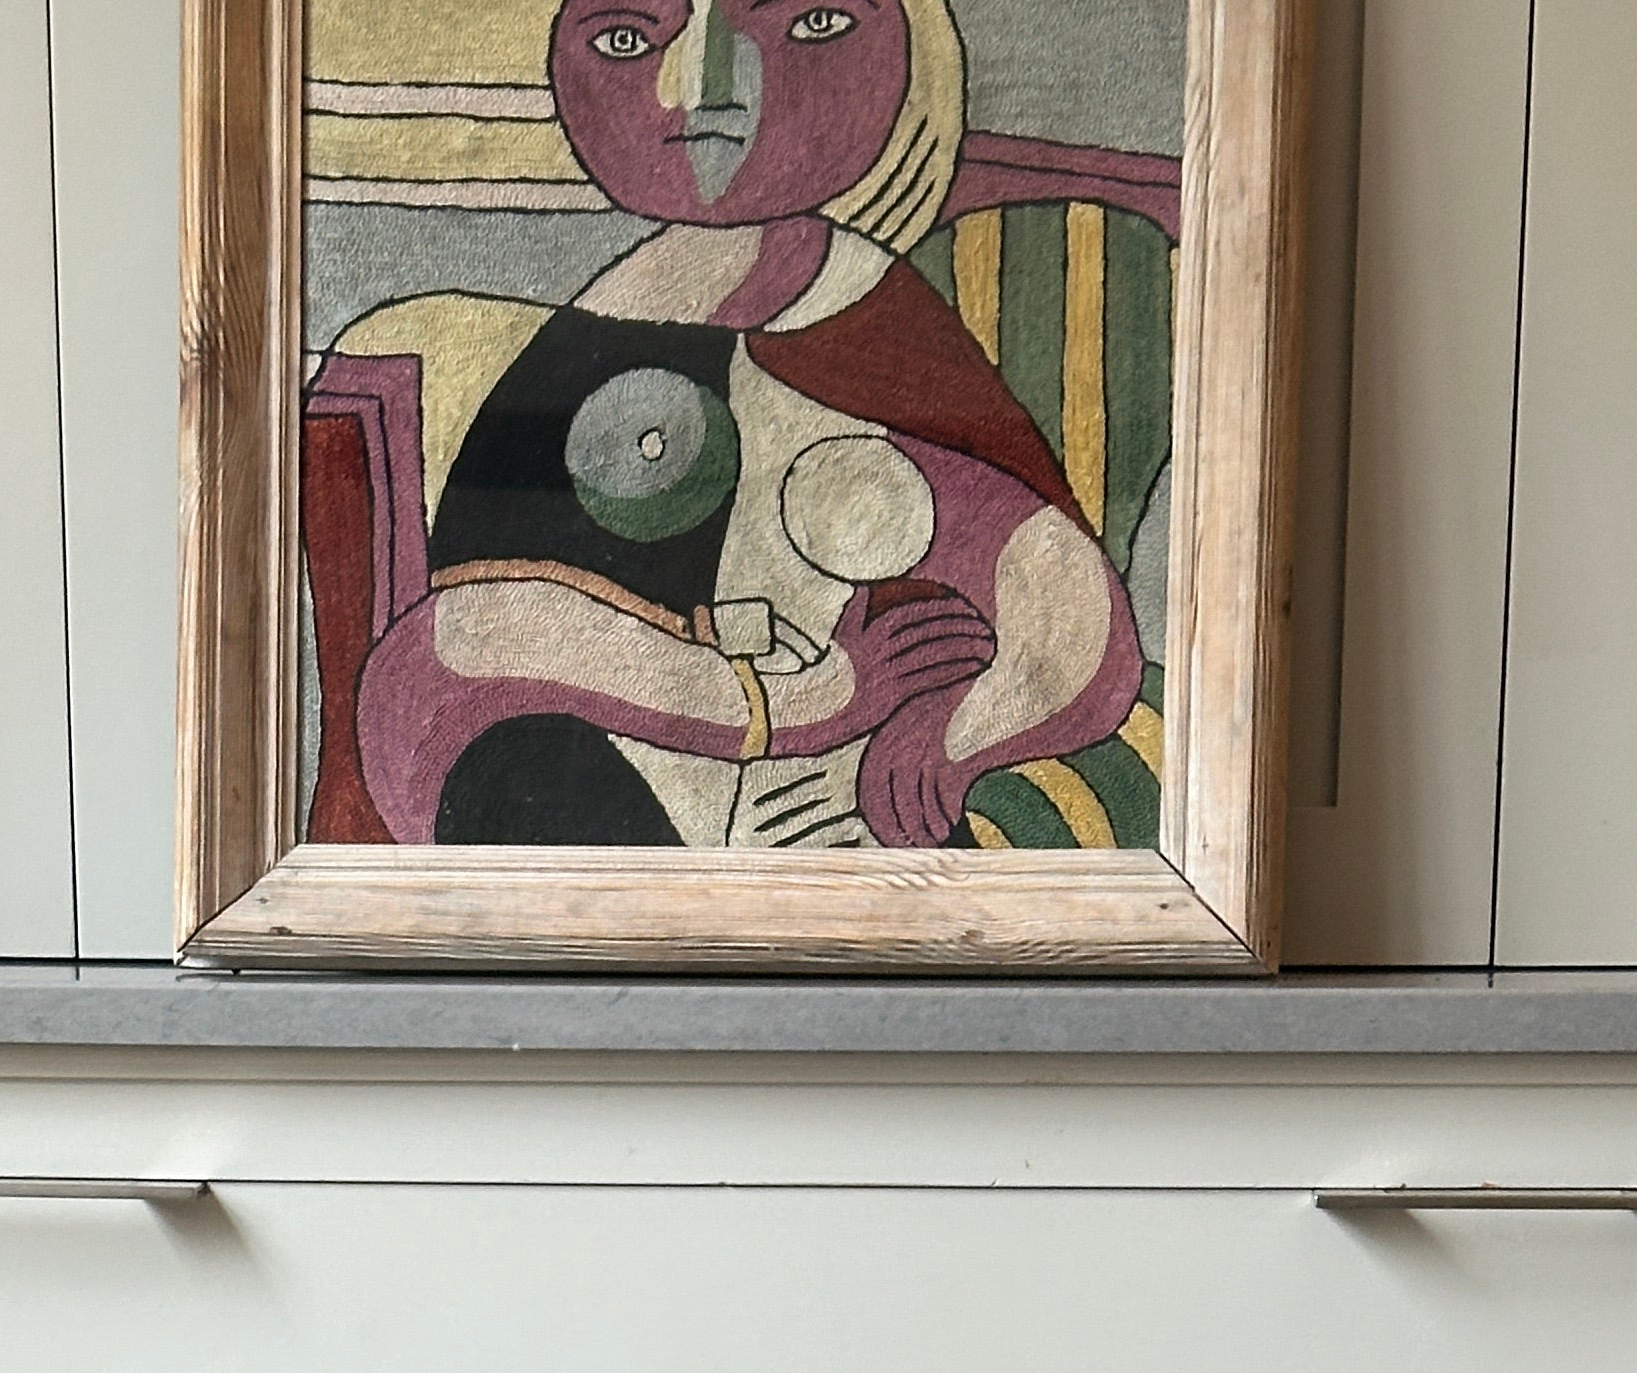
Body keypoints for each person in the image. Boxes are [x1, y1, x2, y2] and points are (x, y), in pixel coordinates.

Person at [311, 0, 1147, 850]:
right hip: (595, 798)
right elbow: (453, 655)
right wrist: (790, 705)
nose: (708, 94)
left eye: (811, 26)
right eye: (630, 40)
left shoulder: (871, 326)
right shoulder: (585, 339)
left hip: (829, 827)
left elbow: (1068, 612)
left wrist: (955, 738)